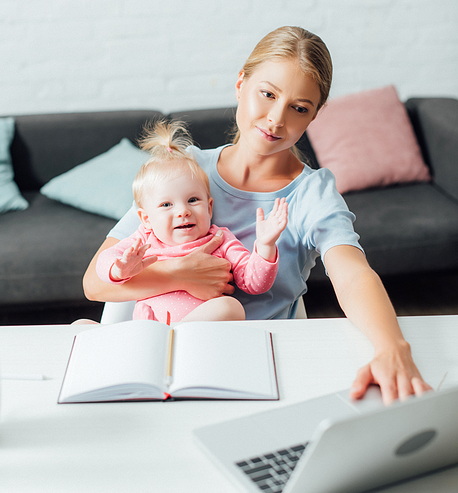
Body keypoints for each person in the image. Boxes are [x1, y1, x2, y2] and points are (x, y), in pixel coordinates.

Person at [84, 25, 432, 405]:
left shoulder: (311, 194)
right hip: (158, 361)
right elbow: (95, 283)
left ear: (315, 115)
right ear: (240, 84)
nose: (276, 120)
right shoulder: (183, 173)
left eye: (299, 108)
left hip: (255, 369)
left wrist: (392, 347)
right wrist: (180, 274)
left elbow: (351, 274)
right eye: (267, 94)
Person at [95, 120, 288, 323]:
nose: (183, 211)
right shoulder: (143, 239)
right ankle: (165, 335)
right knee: (81, 326)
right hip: (147, 331)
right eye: (166, 205)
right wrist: (118, 269)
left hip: (198, 339)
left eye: (193, 200)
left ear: (209, 207)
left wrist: (265, 246)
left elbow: (254, 283)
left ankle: (177, 332)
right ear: (146, 219)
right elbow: (105, 259)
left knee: (230, 307)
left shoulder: (220, 239)